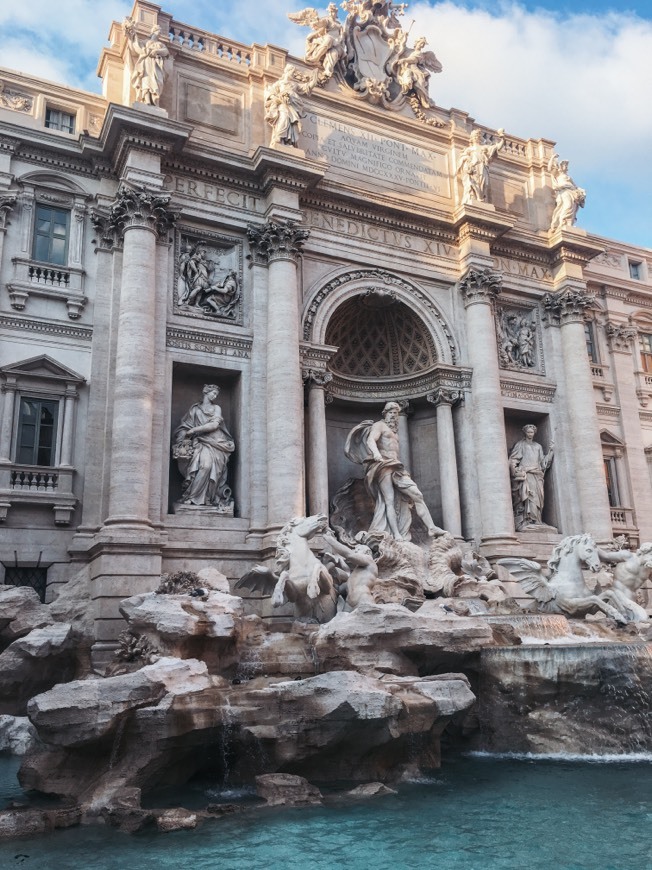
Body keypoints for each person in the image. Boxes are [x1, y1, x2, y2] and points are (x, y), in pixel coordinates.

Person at [345, 401, 444, 541]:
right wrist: (376, 454)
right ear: (385, 414)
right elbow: (370, 440)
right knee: (389, 501)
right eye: (391, 412)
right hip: (383, 465)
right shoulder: (379, 425)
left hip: (396, 466)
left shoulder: (394, 432)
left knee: (417, 495)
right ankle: (396, 534)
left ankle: (431, 527)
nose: (393, 416)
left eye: (396, 413)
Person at [172, 385, 235, 508]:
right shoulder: (195, 409)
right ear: (206, 392)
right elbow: (185, 426)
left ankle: (206, 498)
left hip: (217, 443)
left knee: (207, 467)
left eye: (216, 394)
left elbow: (214, 425)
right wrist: (184, 435)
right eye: (213, 393)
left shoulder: (216, 408)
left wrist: (195, 430)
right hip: (201, 442)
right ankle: (192, 497)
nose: (215, 396)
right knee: (203, 466)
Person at [508, 424, 554, 530]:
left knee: (539, 498)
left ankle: (537, 519)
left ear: (534, 433)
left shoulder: (538, 446)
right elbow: (513, 459)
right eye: (528, 432)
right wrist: (515, 471)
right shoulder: (520, 445)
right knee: (530, 496)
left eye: (531, 432)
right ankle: (529, 520)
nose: (530, 434)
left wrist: (551, 452)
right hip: (527, 474)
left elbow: (543, 463)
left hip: (537, 475)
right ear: (525, 433)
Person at [124, 19, 169, 107]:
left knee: (157, 82)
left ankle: (154, 100)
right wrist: (132, 33)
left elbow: (166, 52)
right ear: (153, 32)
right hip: (146, 63)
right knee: (146, 80)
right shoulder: (146, 42)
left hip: (156, 65)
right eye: (158, 31)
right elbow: (136, 45)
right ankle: (147, 99)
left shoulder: (161, 44)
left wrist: (156, 51)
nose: (159, 33)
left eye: (160, 32)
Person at [457, 128, 505, 205]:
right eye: (475, 136)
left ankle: (481, 199)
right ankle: (475, 198)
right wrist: (467, 161)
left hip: (483, 167)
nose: (477, 137)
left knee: (485, 184)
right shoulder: (469, 149)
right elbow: (462, 159)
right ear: (471, 138)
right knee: (474, 183)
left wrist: (503, 138)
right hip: (474, 168)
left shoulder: (485, 147)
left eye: (478, 136)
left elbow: (498, 147)